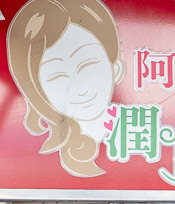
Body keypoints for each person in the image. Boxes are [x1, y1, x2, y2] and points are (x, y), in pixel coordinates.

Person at [7, 0, 126, 177]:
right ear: (35, 91)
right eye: (57, 76)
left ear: (116, 68)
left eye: (88, 65)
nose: (80, 89)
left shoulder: (138, 135)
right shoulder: (19, 157)